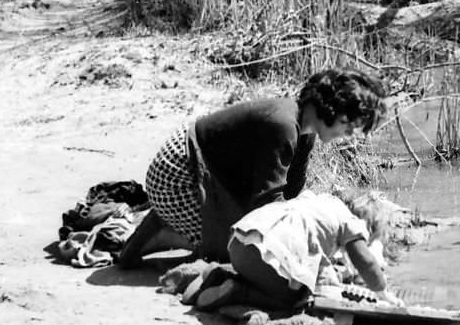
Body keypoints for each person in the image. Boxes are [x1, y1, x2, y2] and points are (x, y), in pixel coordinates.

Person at [118, 68, 387, 268]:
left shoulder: (304, 131)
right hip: (178, 172)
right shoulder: (283, 125)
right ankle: (166, 233)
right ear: (330, 108)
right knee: (234, 252)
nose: (350, 132)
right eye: (348, 123)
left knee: (259, 235)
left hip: (199, 170)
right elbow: (267, 203)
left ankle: (163, 226)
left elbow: (291, 190)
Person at [193, 190, 405, 311]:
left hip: (241, 240)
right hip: (269, 252)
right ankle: (238, 292)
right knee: (296, 298)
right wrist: (382, 292)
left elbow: (312, 250)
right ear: (367, 226)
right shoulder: (351, 223)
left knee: (274, 278)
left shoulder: (319, 201)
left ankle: (218, 276)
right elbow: (365, 261)